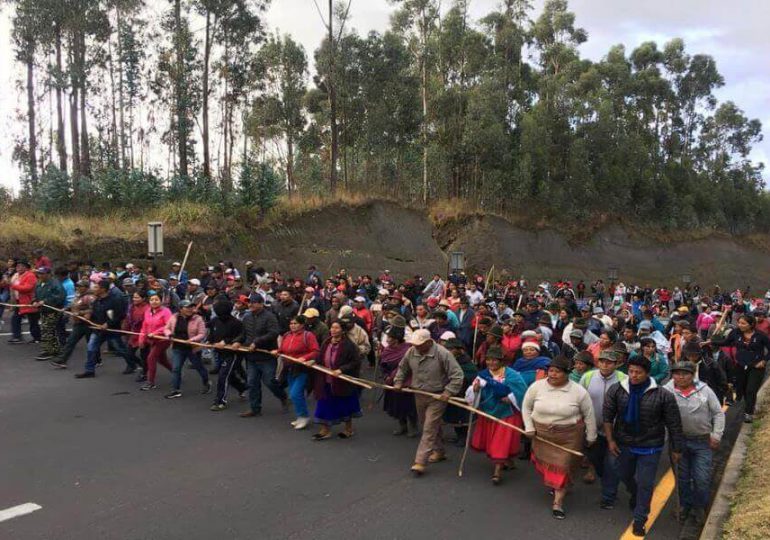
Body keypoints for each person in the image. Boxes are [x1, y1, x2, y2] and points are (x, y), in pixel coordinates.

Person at [602, 355, 683, 537]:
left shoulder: (663, 395)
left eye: (638, 372)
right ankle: (635, 492)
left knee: (646, 483)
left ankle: (640, 519)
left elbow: (674, 424)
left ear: (647, 373)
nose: (633, 376)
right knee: (624, 475)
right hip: (624, 443)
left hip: (650, 446)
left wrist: (676, 448)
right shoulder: (617, 390)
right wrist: (610, 440)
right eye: (631, 371)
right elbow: (607, 416)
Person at [522, 355, 597, 519]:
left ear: (567, 374)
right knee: (549, 466)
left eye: (557, 372)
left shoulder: (578, 391)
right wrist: (529, 427)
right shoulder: (536, 387)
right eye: (551, 371)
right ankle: (557, 485)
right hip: (542, 436)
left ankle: (558, 502)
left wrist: (591, 436)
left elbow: (589, 415)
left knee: (563, 467)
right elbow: (526, 408)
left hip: (569, 437)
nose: (553, 375)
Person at [393, 329, 464, 476]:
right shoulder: (411, 351)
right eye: (415, 344)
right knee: (427, 423)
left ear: (429, 342)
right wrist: (398, 382)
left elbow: (457, 375)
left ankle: (420, 461)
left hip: (437, 396)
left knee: (429, 427)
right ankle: (439, 451)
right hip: (419, 393)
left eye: (419, 344)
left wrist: (448, 392)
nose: (416, 347)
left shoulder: (443, 353)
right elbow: (403, 367)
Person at [663, 361, 725, 527]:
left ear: (693, 375)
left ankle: (700, 506)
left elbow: (718, 413)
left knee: (702, 478)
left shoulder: (704, 390)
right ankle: (685, 505)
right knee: (682, 478)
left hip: (702, 441)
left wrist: (716, 435)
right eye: (677, 373)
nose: (681, 377)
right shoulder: (667, 391)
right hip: (679, 442)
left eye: (685, 373)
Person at [465, 345, 528, 484]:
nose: (491, 363)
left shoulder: (512, 375)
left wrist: (511, 397)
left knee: (501, 442)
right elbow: (472, 394)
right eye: (488, 360)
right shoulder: (483, 375)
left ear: (501, 361)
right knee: (495, 440)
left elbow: (522, 392)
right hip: (489, 411)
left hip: (507, 413)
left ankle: (497, 472)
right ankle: (509, 461)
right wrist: (475, 390)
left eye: (495, 360)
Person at [235, 295, 288, 418]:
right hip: (251, 356)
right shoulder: (247, 317)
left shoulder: (270, 317)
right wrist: (237, 341)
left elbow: (274, 332)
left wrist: (257, 342)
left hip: (267, 355)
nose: (250, 305)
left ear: (261, 303)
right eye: (249, 303)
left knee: (269, 381)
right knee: (252, 382)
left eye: (253, 303)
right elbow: (243, 334)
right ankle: (255, 408)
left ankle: (282, 396)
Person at [311, 320, 362, 440]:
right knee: (323, 405)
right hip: (326, 380)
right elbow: (320, 357)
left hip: (342, 382)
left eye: (336, 328)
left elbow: (355, 362)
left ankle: (348, 429)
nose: (333, 330)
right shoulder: (326, 342)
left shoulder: (349, 345)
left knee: (345, 405)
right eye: (332, 327)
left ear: (343, 330)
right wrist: (314, 361)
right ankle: (325, 430)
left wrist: (341, 369)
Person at [75, 280, 134, 379]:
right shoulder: (96, 301)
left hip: (112, 330)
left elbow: (120, 315)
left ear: (103, 289)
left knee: (121, 349)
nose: (94, 289)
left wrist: (108, 324)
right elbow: (94, 313)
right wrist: (87, 315)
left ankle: (134, 364)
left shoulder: (115, 300)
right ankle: (89, 370)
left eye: (96, 287)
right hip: (98, 329)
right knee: (91, 348)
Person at [718, 311, 770, 422]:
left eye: (743, 323)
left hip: (756, 367)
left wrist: (764, 361)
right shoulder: (735, 333)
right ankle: (749, 405)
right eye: (739, 323)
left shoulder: (760, 335)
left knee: (751, 389)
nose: (740, 325)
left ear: (751, 324)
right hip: (740, 366)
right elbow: (726, 342)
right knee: (741, 389)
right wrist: (710, 342)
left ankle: (749, 412)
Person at [274, 315, 320, 430]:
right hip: (289, 368)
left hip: (302, 369)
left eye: (295, 323)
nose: (292, 325)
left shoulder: (308, 336)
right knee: (295, 394)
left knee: (295, 394)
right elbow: (284, 349)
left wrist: (304, 358)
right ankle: (300, 416)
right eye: (291, 323)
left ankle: (304, 417)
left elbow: (316, 351)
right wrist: (278, 351)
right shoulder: (287, 335)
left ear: (302, 325)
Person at [163, 300, 211, 399]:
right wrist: (169, 334)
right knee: (176, 368)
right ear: (180, 309)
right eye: (187, 307)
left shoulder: (198, 319)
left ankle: (206, 382)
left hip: (192, 348)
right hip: (177, 347)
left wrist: (192, 340)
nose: (190, 309)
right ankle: (176, 390)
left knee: (199, 367)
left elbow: (202, 333)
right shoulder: (174, 317)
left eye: (191, 307)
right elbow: (166, 328)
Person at [380, 319, 418, 437]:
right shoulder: (387, 350)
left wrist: (396, 376)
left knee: (409, 407)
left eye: (389, 338)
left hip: (406, 382)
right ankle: (402, 426)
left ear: (396, 339)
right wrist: (386, 376)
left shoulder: (408, 349)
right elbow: (384, 365)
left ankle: (413, 427)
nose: (387, 340)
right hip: (392, 383)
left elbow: (409, 366)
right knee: (396, 406)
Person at [209, 299, 247, 411]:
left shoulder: (236, 323)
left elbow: (241, 337)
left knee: (223, 376)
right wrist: (209, 341)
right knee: (229, 376)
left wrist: (226, 342)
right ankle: (242, 387)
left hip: (233, 354)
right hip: (220, 353)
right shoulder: (215, 320)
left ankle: (220, 401)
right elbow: (212, 333)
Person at [50, 280, 94, 369]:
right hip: (78, 324)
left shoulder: (90, 298)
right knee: (70, 342)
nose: (77, 288)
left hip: (88, 324)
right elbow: (72, 304)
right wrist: (66, 308)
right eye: (77, 286)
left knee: (91, 344)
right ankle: (62, 360)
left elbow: (93, 310)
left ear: (86, 287)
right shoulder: (77, 295)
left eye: (80, 286)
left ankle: (97, 360)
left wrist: (80, 313)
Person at [137, 290, 173, 391]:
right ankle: (176, 372)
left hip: (163, 339)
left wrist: (156, 333)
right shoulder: (148, 311)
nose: (154, 301)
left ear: (161, 301)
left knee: (151, 358)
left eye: (156, 299)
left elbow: (168, 326)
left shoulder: (166, 311)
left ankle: (150, 382)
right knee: (162, 360)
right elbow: (144, 326)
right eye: (152, 300)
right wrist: (141, 338)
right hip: (151, 339)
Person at [31, 267, 66, 361]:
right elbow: (34, 294)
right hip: (43, 310)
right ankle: (55, 350)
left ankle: (48, 351)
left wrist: (45, 301)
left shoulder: (55, 284)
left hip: (53, 311)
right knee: (48, 330)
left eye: (42, 273)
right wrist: (34, 301)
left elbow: (60, 297)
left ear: (49, 274)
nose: (40, 275)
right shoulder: (39, 283)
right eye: (39, 273)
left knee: (46, 330)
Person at [8, 260, 41, 344]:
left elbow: (28, 288)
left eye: (20, 266)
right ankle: (17, 337)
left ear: (25, 267)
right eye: (17, 266)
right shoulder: (17, 275)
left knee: (33, 321)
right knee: (15, 318)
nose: (18, 268)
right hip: (19, 301)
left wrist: (13, 286)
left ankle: (37, 337)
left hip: (30, 301)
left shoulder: (30, 275)